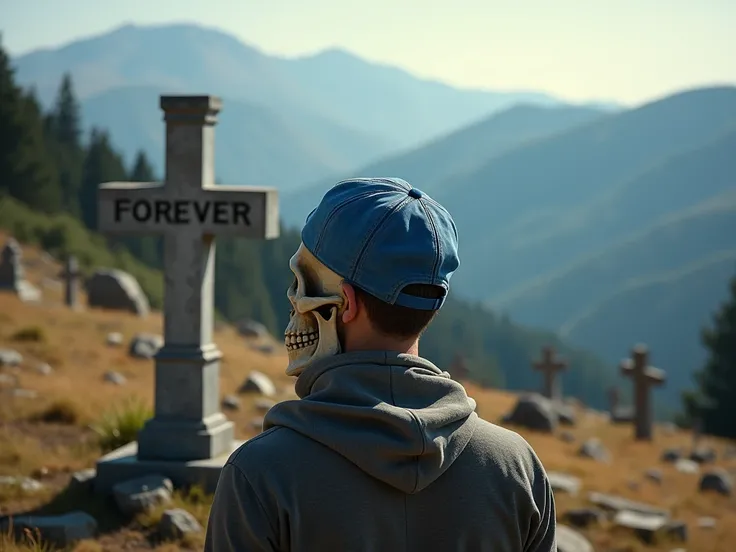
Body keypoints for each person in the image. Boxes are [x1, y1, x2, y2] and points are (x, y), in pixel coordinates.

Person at [205, 177, 556, 552]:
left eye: (304, 283)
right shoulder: (517, 467)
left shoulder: (260, 474)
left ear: (347, 303)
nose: (293, 299)